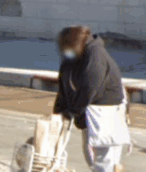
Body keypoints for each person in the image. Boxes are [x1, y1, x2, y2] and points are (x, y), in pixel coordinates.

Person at [53, 25, 132, 172]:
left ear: (76, 44)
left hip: (106, 112)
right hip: (91, 112)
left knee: (103, 156)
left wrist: (75, 110)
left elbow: (89, 87)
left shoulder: (96, 55)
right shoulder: (73, 57)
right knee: (91, 155)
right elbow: (65, 82)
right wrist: (59, 111)